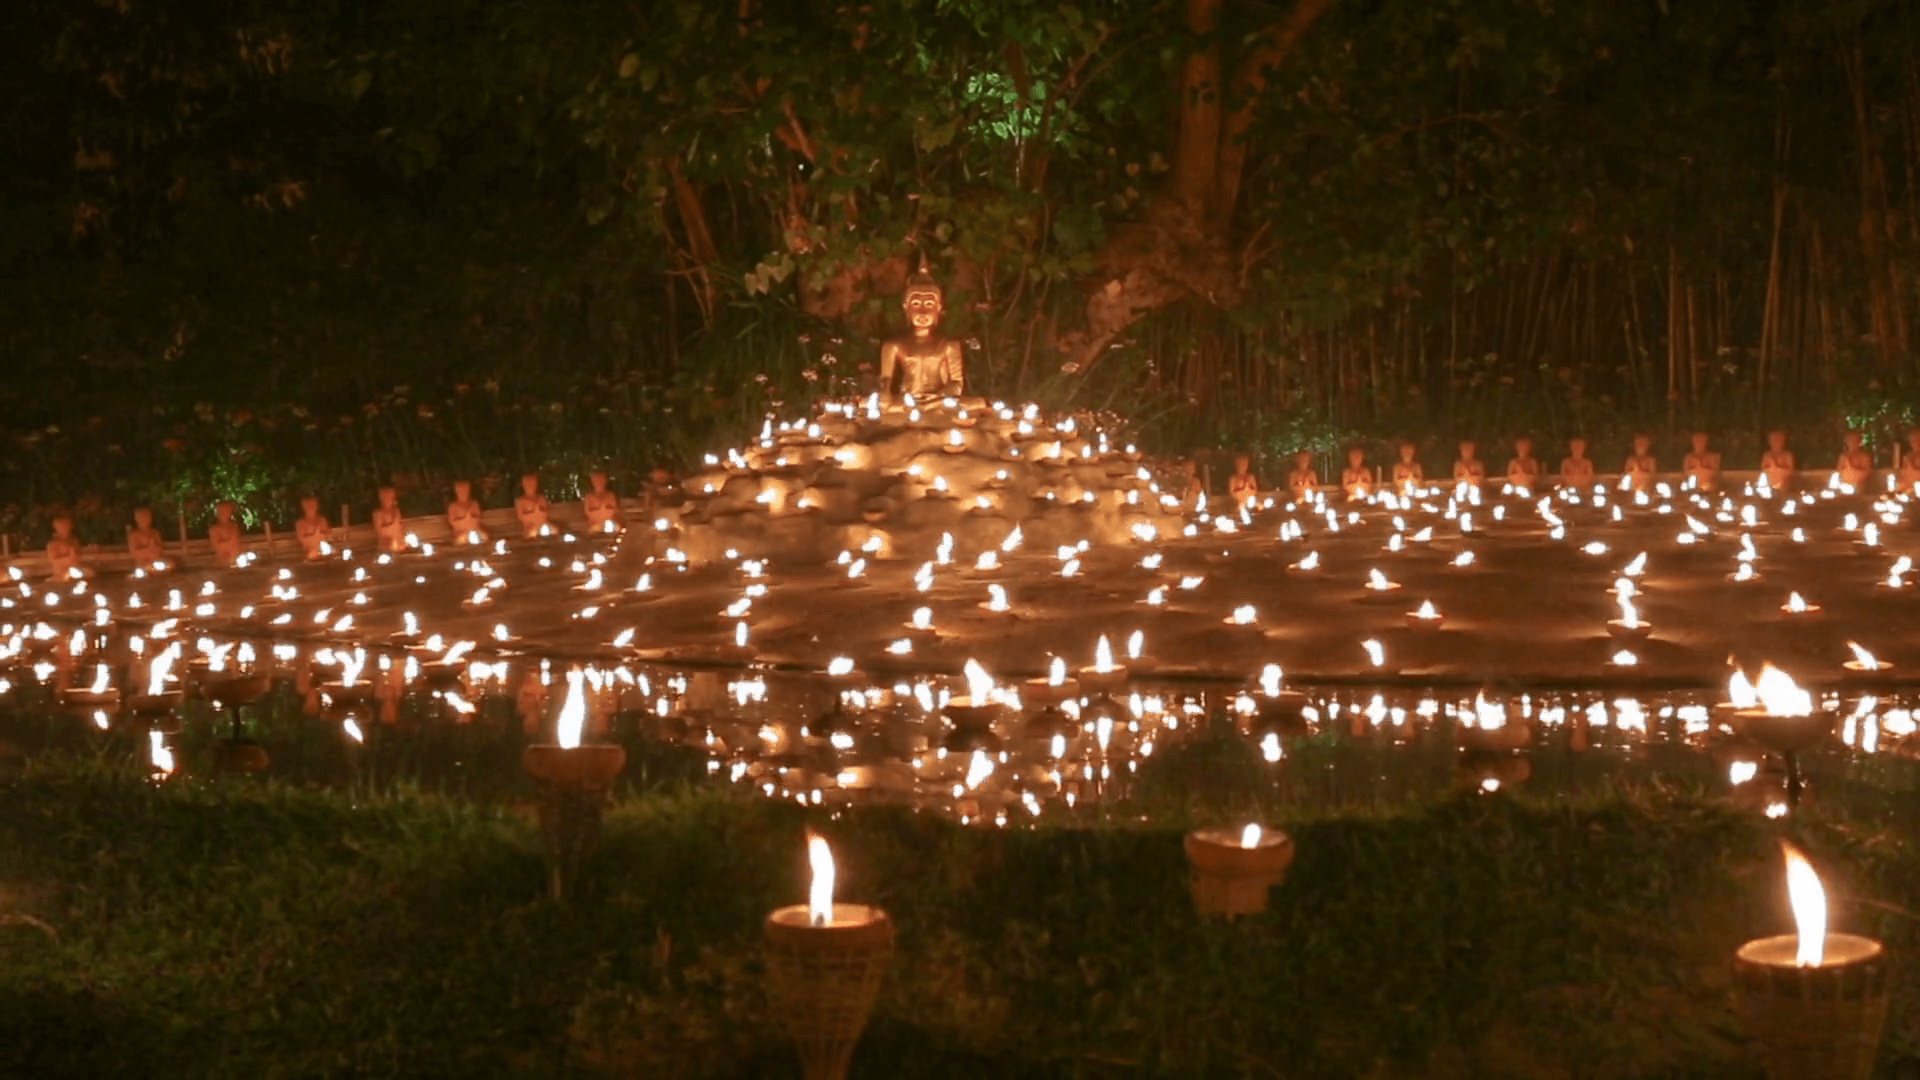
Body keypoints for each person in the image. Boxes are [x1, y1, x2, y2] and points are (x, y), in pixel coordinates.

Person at [877, 263, 964, 399]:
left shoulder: (949, 345)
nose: (923, 312)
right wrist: (885, 394)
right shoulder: (893, 346)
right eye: (916, 304)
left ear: (938, 308)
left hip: (937, 402)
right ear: (906, 308)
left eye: (929, 304)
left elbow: (957, 384)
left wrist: (937, 396)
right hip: (907, 402)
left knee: (978, 404)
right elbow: (885, 381)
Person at [209, 500, 246, 566]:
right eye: (225, 511)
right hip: (224, 559)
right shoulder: (214, 529)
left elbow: (239, 542)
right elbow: (216, 546)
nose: (228, 514)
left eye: (229, 511)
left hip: (238, 558)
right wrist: (230, 542)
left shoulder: (234, 526)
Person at [46, 514, 83, 581]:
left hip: (75, 570)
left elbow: (79, 555)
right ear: (56, 528)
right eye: (62, 527)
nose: (65, 529)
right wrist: (68, 558)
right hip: (61, 573)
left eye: (66, 526)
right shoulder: (53, 543)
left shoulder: (74, 541)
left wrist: (75, 557)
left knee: (90, 574)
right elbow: (54, 560)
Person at [515, 473, 552, 538]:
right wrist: (533, 515)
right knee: (532, 534)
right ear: (524, 486)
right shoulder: (521, 501)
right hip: (530, 528)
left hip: (543, 525)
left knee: (554, 531)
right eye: (528, 485)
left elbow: (546, 513)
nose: (530, 487)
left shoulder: (541, 499)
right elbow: (520, 517)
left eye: (532, 484)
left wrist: (540, 514)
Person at [294, 496, 332, 561]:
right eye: (308, 506)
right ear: (304, 508)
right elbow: (301, 539)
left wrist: (320, 537)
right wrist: (314, 538)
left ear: (317, 507)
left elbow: (328, 536)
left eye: (313, 506)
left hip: (323, 551)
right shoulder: (300, 524)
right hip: (309, 553)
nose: (311, 508)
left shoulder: (322, 521)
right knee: (311, 555)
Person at [372, 487, 407, 552]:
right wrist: (394, 526)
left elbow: (400, 527)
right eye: (386, 498)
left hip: (399, 544)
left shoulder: (396, 511)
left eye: (391, 498)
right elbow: (380, 531)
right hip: (386, 545)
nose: (388, 501)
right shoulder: (378, 514)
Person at [1899, 429, 1920, 494]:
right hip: (1910, 497)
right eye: (1914, 441)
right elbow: (1902, 482)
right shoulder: (1906, 459)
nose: (1917, 444)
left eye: (1918, 440)